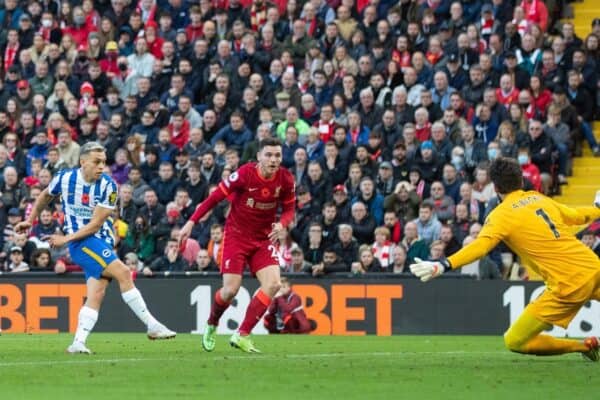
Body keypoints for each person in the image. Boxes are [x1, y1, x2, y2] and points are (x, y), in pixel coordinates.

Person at [410, 157, 600, 361]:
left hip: (568, 282)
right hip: (592, 265)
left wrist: (444, 264)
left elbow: (481, 246)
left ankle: (584, 346)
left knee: (515, 340)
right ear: (521, 181)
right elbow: (576, 216)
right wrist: (597, 208)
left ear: (496, 187)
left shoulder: (500, 215)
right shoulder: (538, 198)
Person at [15, 142, 175, 354]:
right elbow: (45, 195)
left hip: (99, 241)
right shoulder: (65, 178)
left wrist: (64, 238)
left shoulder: (109, 186)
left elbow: (96, 224)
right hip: (82, 243)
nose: (102, 166)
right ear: (83, 162)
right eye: (96, 162)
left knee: (96, 293)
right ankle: (152, 325)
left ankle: (78, 343)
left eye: (104, 162)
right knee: (124, 273)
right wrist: (31, 220)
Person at [178, 137, 295, 353]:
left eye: (277, 155)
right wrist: (191, 222)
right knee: (230, 290)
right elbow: (214, 198)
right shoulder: (244, 174)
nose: (273, 159)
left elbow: (289, 209)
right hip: (237, 237)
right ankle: (212, 323)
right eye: (268, 154)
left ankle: (242, 334)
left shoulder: (286, 179)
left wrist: (282, 223)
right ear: (259, 156)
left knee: (274, 284)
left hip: (263, 239)